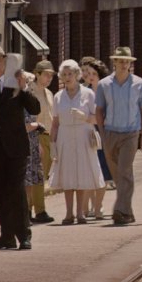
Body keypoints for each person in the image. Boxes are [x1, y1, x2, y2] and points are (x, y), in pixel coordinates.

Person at [0, 44, 40, 250]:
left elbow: (35, 108)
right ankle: (6, 235)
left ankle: (24, 235)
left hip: (15, 147)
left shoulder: (15, 83)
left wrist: (24, 88)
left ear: (5, 61)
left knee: (17, 191)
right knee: (1, 192)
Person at [96, 47, 142, 225]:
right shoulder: (104, 85)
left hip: (130, 133)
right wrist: (102, 134)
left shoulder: (139, 84)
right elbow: (99, 110)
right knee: (118, 176)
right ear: (115, 62)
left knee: (125, 170)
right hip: (110, 132)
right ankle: (128, 211)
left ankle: (119, 210)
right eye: (121, 61)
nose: (124, 64)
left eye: (127, 61)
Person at [49, 60, 105, 225]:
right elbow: (55, 123)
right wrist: (53, 145)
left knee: (82, 174)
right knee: (67, 175)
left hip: (83, 134)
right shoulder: (58, 96)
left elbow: (97, 119)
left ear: (77, 75)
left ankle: (80, 213)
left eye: (70, 74)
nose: (67, 77)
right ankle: (68, 214)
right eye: (64, 74)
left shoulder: (88, 94)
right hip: (65, 136)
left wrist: (85, 117)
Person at [83, 59, 112, 220]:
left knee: (103, 171)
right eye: (89, 74)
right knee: (89, 171)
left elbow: (107, 117)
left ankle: (98, 206)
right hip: (87, 135)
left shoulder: (106, 92)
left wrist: (93, 119)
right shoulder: (83, 92)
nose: (91, 77)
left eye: (95, 74)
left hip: (103, 134)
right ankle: (86, 207)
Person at [28, 60, 55, 224]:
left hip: (49, 135)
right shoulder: (30, 92)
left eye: (51, 75)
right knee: (35, 175)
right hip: (36, 136)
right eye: (46, 74)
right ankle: (35, 210)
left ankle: (37, 209)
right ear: (37, 74)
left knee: (42, 176)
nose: (49, 78)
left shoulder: (49, 93)